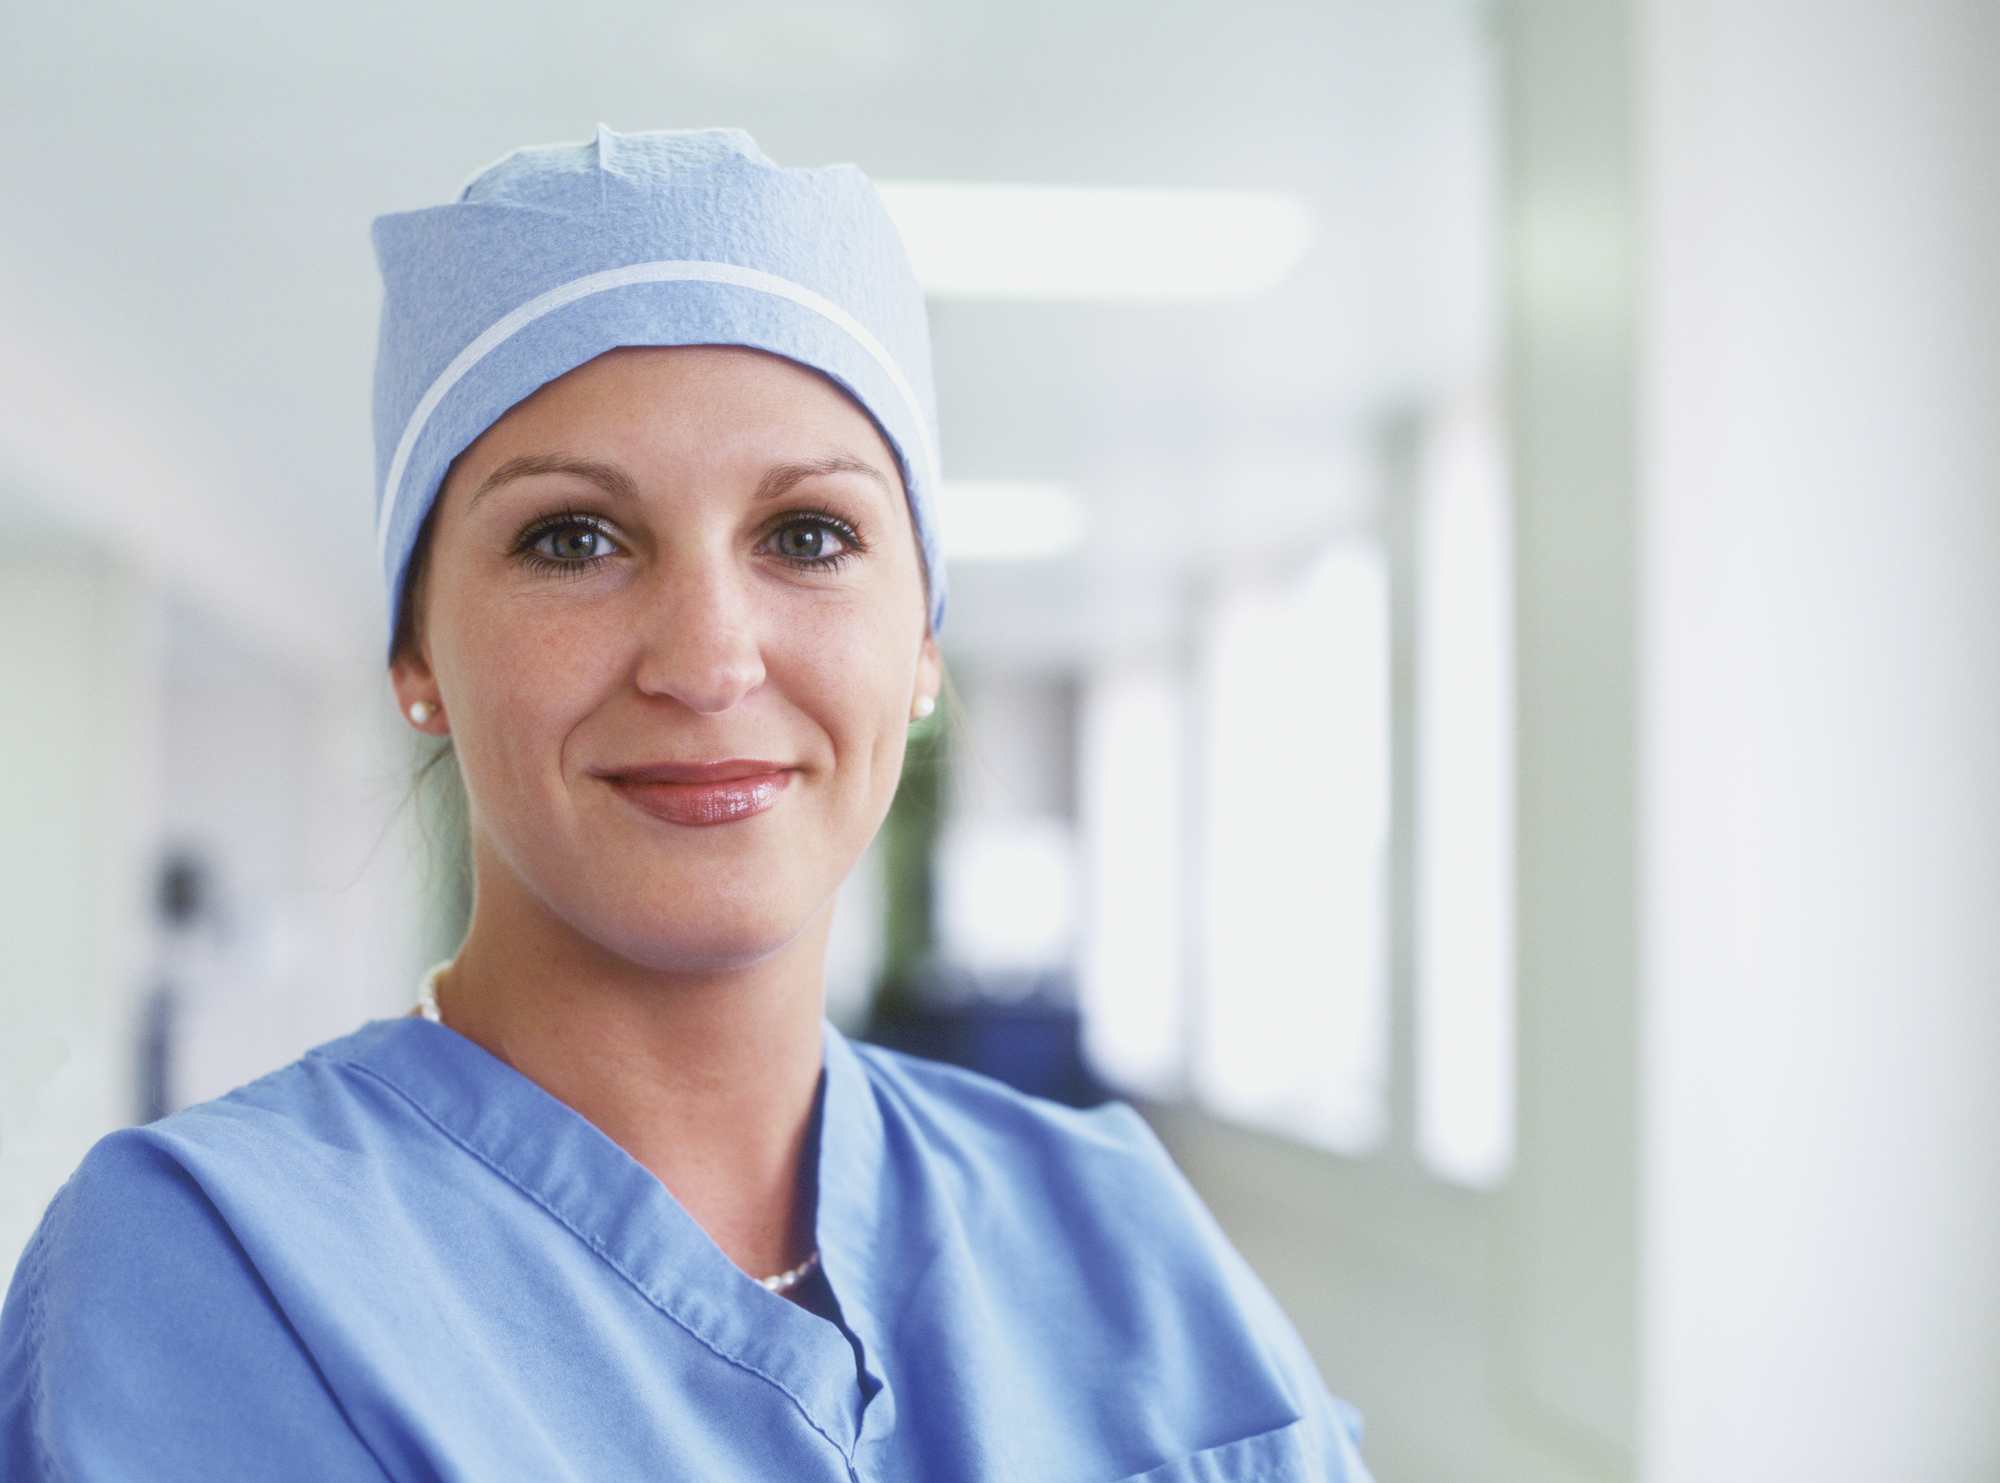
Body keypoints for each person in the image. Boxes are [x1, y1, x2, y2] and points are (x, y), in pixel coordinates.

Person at [0, 127, 1372, 1481]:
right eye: (573, 539)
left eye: (809, 536)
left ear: (925, 650)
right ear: (418, 653)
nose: (709, 660)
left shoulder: (1117, 1230)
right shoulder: (212, 1268)